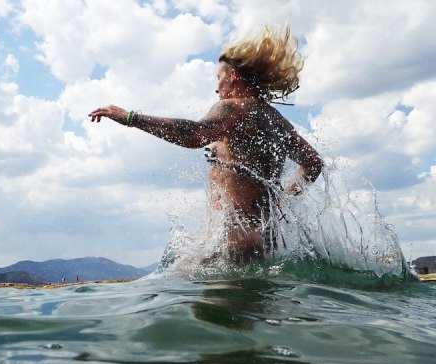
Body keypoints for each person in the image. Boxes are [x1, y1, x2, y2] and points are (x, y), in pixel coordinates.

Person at [88, 24, 323, 263]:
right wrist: (282, 198)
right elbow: (313, 163)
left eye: (219, 78)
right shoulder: (277, 121)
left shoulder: (232, 107)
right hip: (267, 241)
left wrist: (130, 118)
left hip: (235, 239)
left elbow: (194, 134)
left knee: (178, 282)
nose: (216, 87)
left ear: (232, 77)